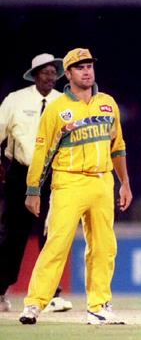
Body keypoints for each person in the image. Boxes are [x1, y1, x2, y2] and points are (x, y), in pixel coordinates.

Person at [18, 48, 132, 325]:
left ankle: (99, 305)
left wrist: (125, 183)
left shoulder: (108, 103)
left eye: (89, 65)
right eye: (79, 67)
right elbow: (42, 151)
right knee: (57, 243)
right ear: (67, 74)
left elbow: (117, 147)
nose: (86, 71)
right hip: (68, 181)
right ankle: (34, 304)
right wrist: (33, 190)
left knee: (104, 246)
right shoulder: (57, 109)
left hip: (103, 181)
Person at [0, 53, 72, 313]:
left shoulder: (64, 102)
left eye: (55, 72)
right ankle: (0, 291)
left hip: (54, 175)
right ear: (35, 73)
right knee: (12, 236)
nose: (52, 77)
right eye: (47, 72)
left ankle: (51, 295)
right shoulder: (15, 100)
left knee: (52, 233)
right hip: (21, 173)